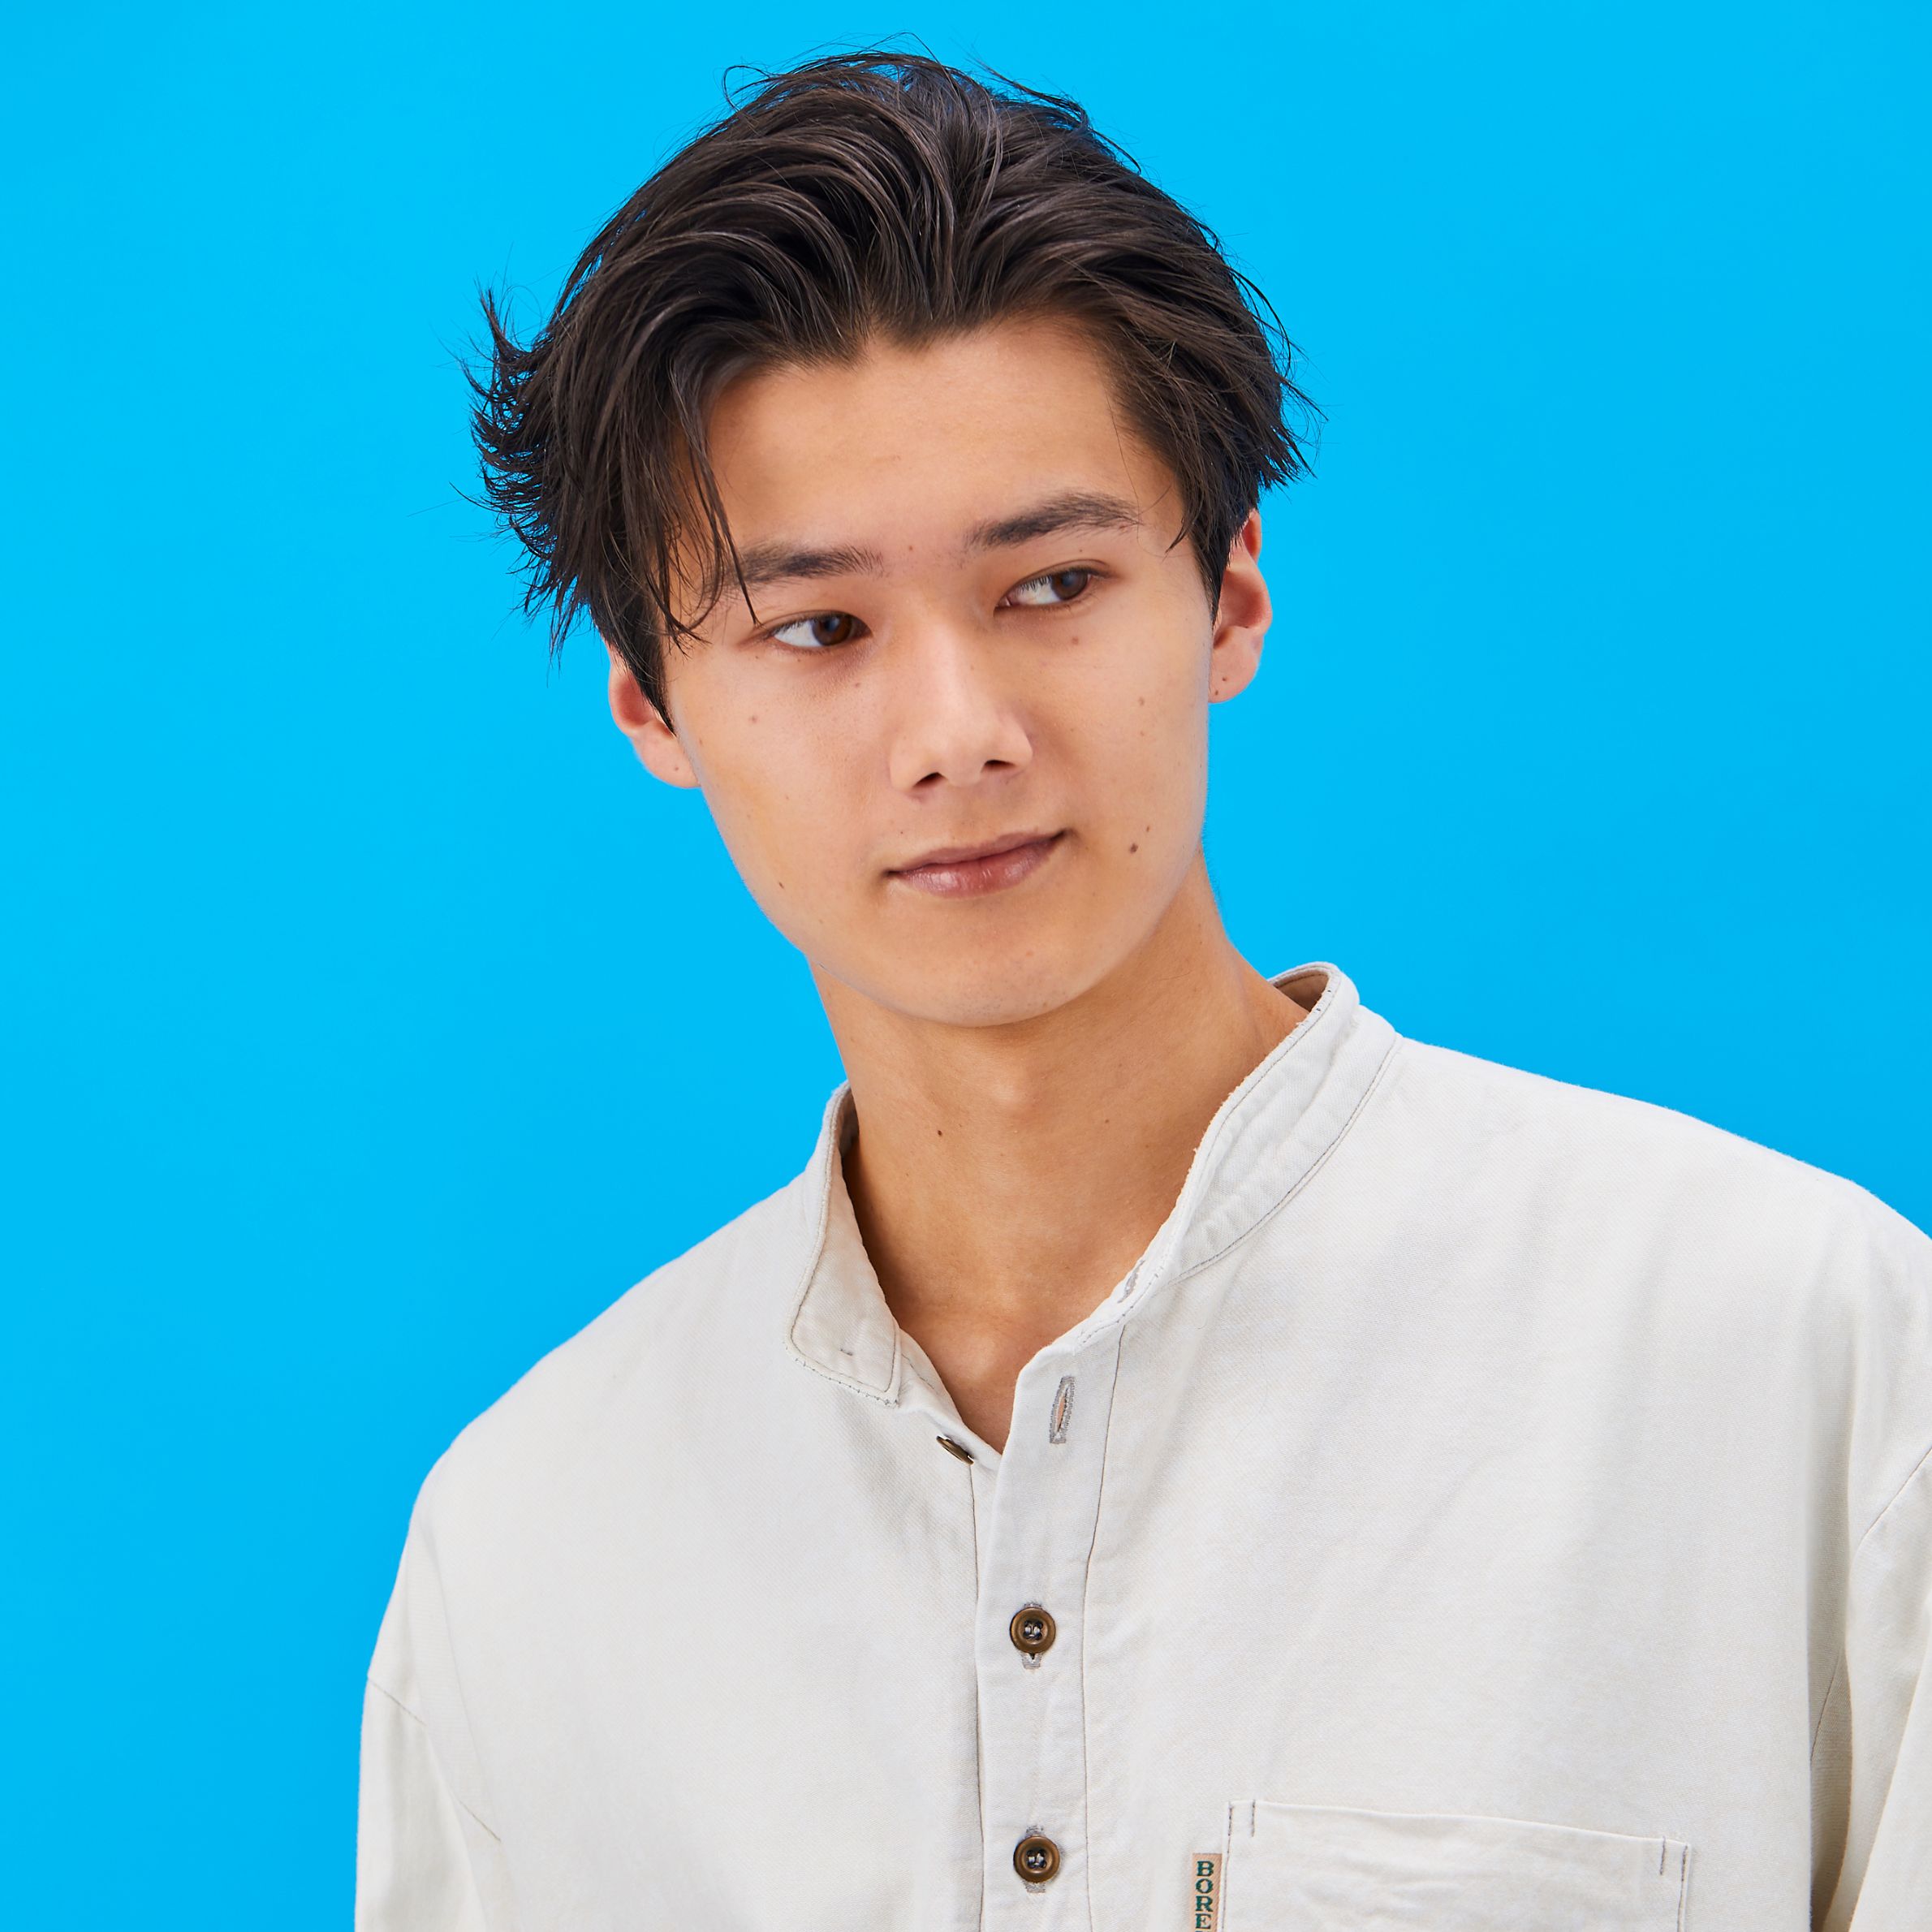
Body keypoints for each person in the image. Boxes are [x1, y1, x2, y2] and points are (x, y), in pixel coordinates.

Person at [356, 50, 1930, 1931]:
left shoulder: (1793, 1356)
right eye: (818, 627)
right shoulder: (530, 1537)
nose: (955, 732)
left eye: (1048, 584)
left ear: (1230, 593)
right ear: (650, 701)